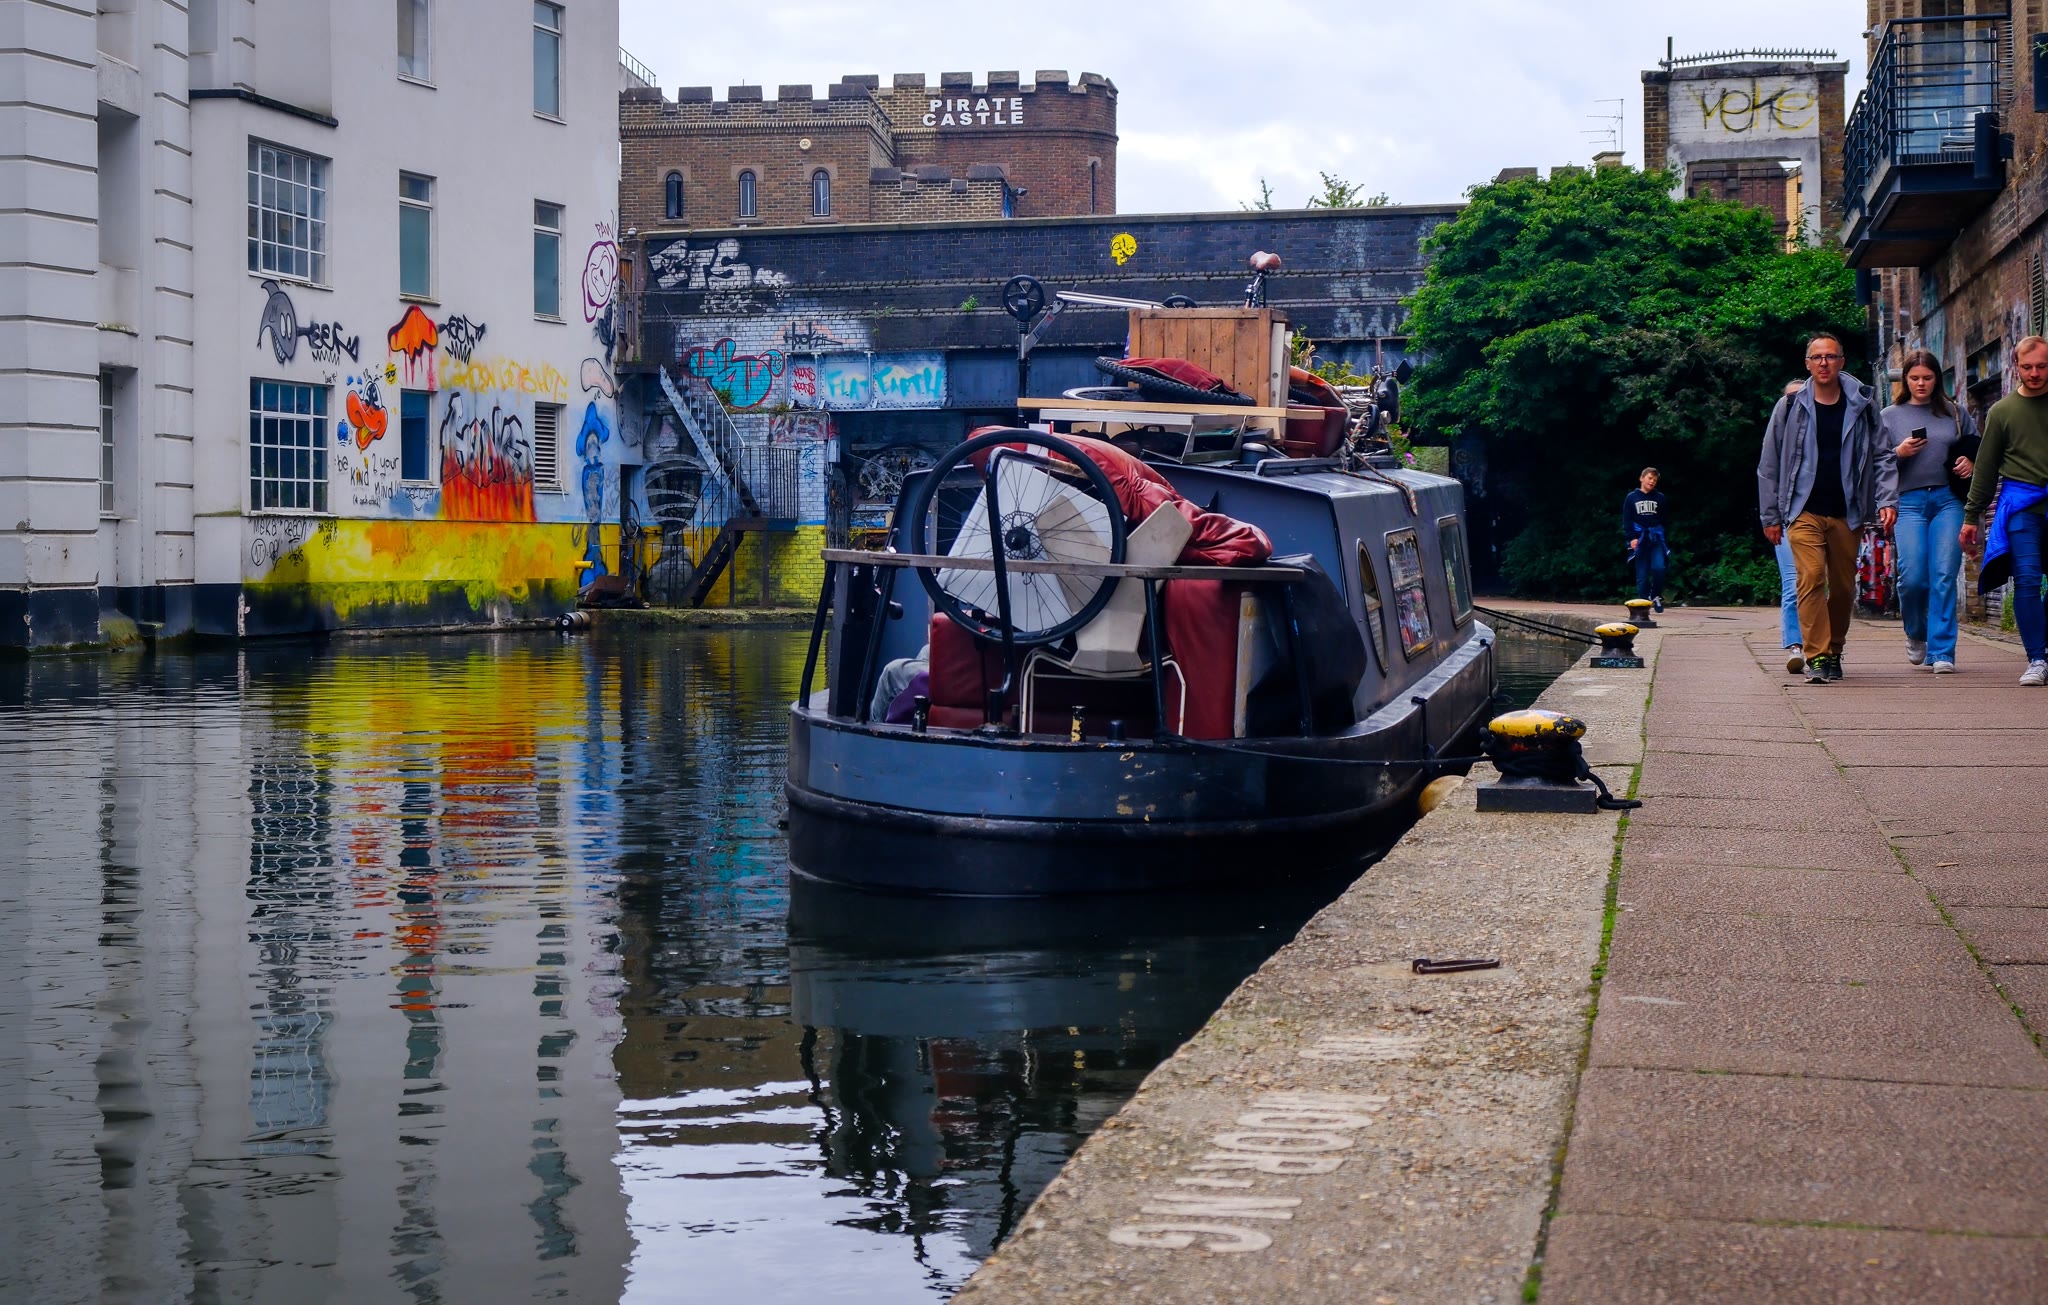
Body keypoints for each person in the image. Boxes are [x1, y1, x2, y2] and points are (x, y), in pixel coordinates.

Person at [1758, 332, 1897, 683]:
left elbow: (1883, 454)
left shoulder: (1862, 404)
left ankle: (1834, 648)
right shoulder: (1790, 406)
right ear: (1807, 364)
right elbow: (1769, 463)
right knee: (1810, 578)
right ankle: (1817, 656)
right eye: (1817, 357)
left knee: (1844, 587)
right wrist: (1770, 515)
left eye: (1831, 356)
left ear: (1841, 362)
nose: (1824, 363)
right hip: (1802, 509)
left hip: (1848, 511)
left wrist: (1887, 499)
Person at [1961, 335, 2048, 685]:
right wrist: (1971, 517)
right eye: (2027, 367)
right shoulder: (2001, 412)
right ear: (2015, 368)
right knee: (2026, 579)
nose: (2035, 373)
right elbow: (1985, 468)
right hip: (2021, 508)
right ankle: (2037, 658)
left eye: (2041, 366)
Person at [1883, 350, 1977, 674]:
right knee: (1913, 578)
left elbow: (1976, 446)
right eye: (1914, 378)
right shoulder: (1889, 416)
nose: (1921, 384)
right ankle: (1915, 631)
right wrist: (1899, 452)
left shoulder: (1955, 412)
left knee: (1943, 574)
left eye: (1927, 377)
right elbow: (1875, 464)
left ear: (1937, 379)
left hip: (1948, 499)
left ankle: (1942, 651)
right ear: (1904, 380)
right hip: (1908, 502)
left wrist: (1971, 462)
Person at [1623, 467, 1668, 613]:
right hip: (1639, 539)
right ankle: (1643, 603)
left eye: (1655, 480)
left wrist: (1658, 532)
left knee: (1659, 567)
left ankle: (1655, 595)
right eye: (1649, 478)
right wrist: (1632, 538)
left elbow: (1663, 518)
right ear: (1641, 478)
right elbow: (1627, 520)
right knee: (1642, 575)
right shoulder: (1631, 497)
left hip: (1655, 538)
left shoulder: (1660, 497)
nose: (1652, 481)